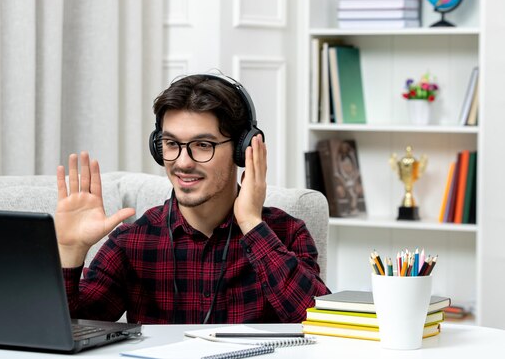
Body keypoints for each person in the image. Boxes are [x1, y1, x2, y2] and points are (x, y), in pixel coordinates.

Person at [55, 73, 330, 324]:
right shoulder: (132, 242)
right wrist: (70, 252)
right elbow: (72, 329)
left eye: (202, 145)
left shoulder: (287, 234)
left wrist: (250, 223)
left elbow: (322, 326)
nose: (183, 163)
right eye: (172, 144)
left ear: (243, 150)